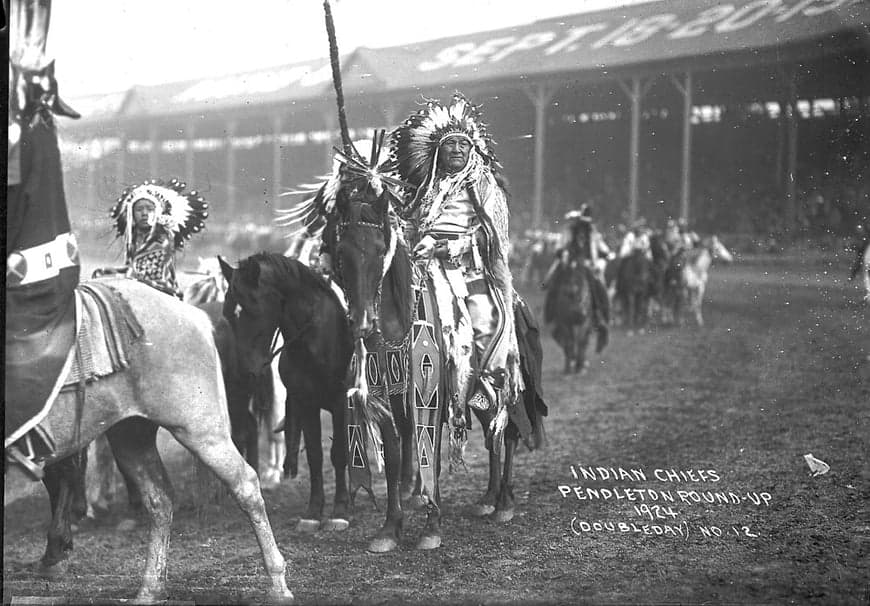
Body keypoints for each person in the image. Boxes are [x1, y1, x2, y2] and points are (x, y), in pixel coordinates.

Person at [391, 92, 521, 427]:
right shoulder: (428, 187)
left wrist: (449, 248)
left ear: (472, 149)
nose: (458, 151)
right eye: (451, 145)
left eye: (463, 145)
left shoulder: (483, 185)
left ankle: (485, 389)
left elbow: (491, 235)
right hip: (425, 266)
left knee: (487, 323)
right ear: (439, 150)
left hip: (468, 268)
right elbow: (411, 221)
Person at [97, 178, 208, 298]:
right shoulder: (134, 240)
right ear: (132, 214)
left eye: (150, 209)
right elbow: (133, 269)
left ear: (157, 213)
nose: (144, 213)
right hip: (140, 289)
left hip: (163, 294)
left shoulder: (162, 239)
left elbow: (147, 275)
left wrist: (118, 274)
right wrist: (110, 272)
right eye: (139, 209)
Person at [541, 205, 611, 336]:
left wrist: (604, 254)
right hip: (570, 262)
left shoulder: (592, 231)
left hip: (588, 264)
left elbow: (598, 246)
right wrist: (563, 254)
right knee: (554, 281)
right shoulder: (571, 230)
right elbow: (562, 245)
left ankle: (601, 316)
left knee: (599, 287)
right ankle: (550, 315)